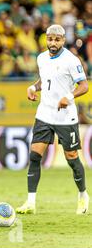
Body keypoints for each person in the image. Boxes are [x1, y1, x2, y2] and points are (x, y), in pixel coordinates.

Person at [16, 25, 89, 215]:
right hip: (45, 114)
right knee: (34, 156)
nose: (53, 43)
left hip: (65, 117)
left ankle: (83, 195)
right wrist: (33, 88)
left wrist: (69, 97)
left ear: (63, 40)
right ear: (46, 39)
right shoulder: (41, 58)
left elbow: (84, 86)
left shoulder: (71, 60)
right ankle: (30, 202)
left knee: (72, 158)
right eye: (50, 39)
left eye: (57, 39)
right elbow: (44, 80)